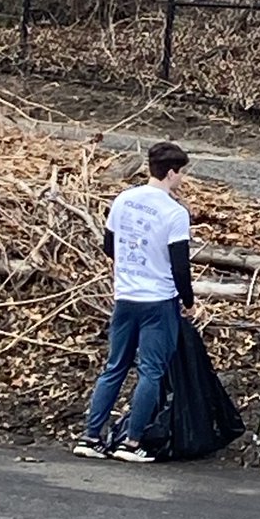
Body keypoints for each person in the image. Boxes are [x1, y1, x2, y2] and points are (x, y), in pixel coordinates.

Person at [73, 141, 196, 462]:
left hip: (125, 295)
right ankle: (132, 441)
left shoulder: (124, 200)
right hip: (158, 300)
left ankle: (90, 436)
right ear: (171, 173)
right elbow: (180, 264)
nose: (182, 180)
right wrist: (189, 300)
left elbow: (109, 245)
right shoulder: (174, 212)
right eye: (181, 174)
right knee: (151, 371)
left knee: (114, 366)